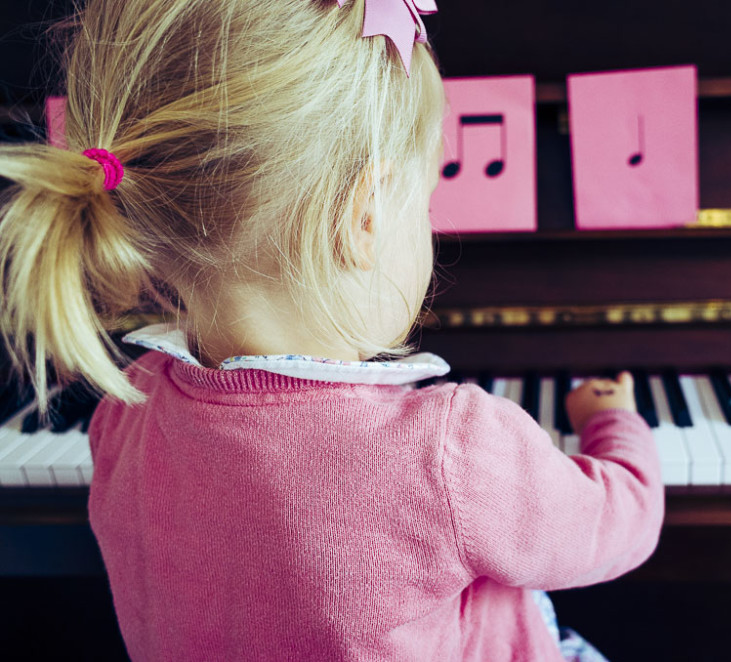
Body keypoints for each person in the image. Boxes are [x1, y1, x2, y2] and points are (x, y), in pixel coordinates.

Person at [0, 0, 664, 659]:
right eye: (424, 202)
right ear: (365, 215)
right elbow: (618, 527)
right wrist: (616, 427)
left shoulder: (126, 409)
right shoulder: (447, 452)